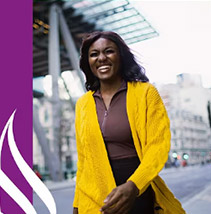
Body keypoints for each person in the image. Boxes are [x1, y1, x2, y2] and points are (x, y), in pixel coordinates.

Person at [72, 31, 185, 214]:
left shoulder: (146, 93)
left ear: (121, 56)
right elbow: (83, 161)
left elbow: (157, 147)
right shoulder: (82, 104)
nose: (101, 58)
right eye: (94, 54)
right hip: (94, 199)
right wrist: (77, 206)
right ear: (88, 62)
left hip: (135, 193)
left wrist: (134, 186)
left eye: (109, 51)